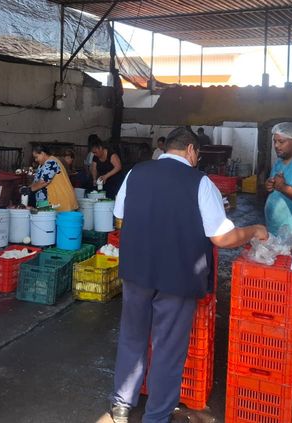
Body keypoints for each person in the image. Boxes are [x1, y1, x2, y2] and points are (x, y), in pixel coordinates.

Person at [110, 127, 268, 423]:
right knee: (167, 347)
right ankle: (156, 416)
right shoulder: (200, 182)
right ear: (192, 150)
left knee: (132, 336)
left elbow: (120, 215)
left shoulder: (136, 173)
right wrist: (254, 230)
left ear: (167, 148)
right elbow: (222, 237)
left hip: (136, 271)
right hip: (178, 277)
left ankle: (121, 404)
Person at [21, 145, 78, 211]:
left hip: (60, 200)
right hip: (47, 202)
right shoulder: (42, 164)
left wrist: (29, 189)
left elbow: (43, 182)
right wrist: (27, 188)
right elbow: (37, 182)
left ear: (42, 153)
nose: (35, 160)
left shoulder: (51, 162)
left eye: (36, 157)